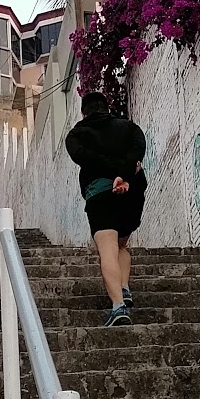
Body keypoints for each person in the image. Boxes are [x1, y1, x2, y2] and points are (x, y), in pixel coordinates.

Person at [64, 91, 147, 327]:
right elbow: (138, 151)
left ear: (83, 112)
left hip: (99, 194)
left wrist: (111, 174)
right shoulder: (130, 128)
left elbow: (83, 157)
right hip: (131, 191)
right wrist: (122, 174)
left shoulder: (76, 135)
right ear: (107, 108)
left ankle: (118, 306)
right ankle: (124, 287)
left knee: (108, 248)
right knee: (121, 244)